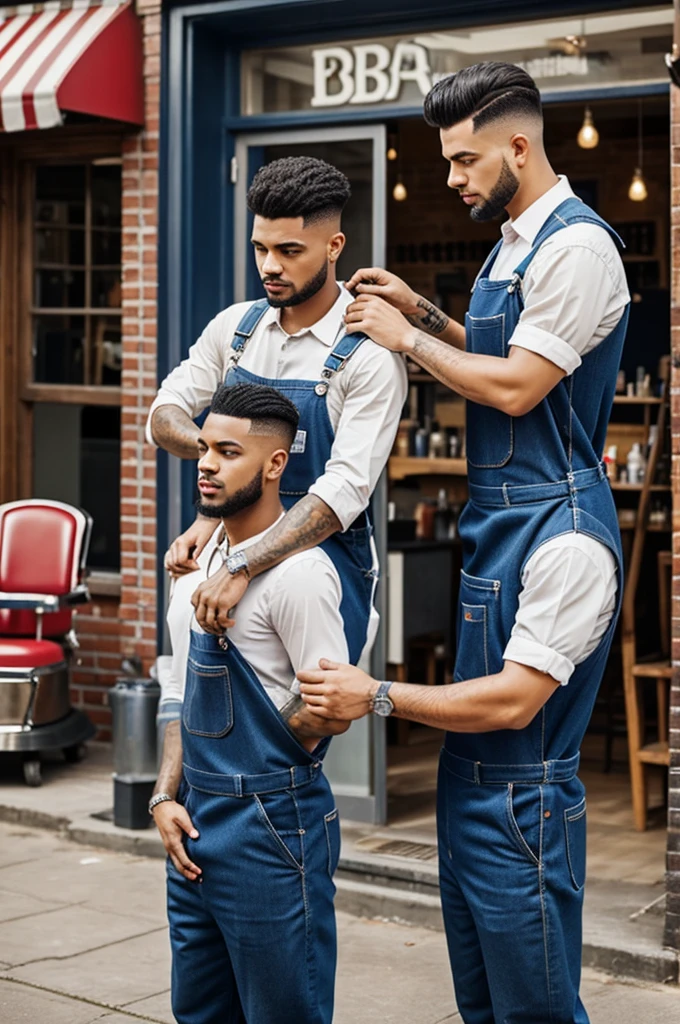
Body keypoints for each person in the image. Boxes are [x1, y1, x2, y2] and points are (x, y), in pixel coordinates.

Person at [298, 63, 630, 1024]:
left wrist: (405, 343)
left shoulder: (576, 252)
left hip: (520, 809)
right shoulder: (512, 248)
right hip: (471, 788)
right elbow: (490, 354)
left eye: (462, 158)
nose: (449, 176)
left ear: (518, 147)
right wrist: (425, 312)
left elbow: (521, 386)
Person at [146, 155, 406, 668]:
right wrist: (222, 463)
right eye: (260, 248)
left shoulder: (370, 355)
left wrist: (242, 563)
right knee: (192, 710)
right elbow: (164, 411)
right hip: (226, 553)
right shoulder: (235, 330)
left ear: (334, 248)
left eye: (289, 251)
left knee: (296, 729)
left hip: (320, 568)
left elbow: (341, 495)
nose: (269, 266)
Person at [151, 383, 351, 1024]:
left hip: (273, 825)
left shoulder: (301, 575)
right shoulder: (196, 561)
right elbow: (180, 689)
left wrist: (251, 773)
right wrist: (164, 796)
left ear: (274, 464)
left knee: (283, 1013)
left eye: (228, 452)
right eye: (204, 447)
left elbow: (331, 707)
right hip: (192, 820)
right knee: (200, 1012)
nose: (206, 462)